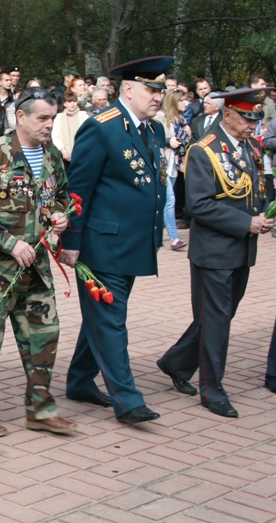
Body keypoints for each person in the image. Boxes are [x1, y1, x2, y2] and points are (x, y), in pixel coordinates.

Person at [60, 56, 174, 425]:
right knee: (111, 320)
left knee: (102, 316)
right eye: (151, 89)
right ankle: (128, 400)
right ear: (128, 89)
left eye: (161, 90)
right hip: (101, 245)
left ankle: (79, 381)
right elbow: (79, 190)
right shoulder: (101, 128)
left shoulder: (153, 131)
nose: (158, 96)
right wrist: (72, 241)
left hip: (134, 244)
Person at [0, 88, 76, 437]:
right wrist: (9, 244)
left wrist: (60, 216)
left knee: (45, 335)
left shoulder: (52, 155)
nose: (49, 125)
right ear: (21, 117)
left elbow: (60, 196)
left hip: (37, 269)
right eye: (42, 118)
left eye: (52, 118)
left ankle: (40, 409)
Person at [156, 87, 275, 418]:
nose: (253, 125)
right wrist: (246, 222)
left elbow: (258, 187)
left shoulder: (250, 146)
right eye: (247, 118)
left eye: (256, 118)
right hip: (215, 251)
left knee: (218, 316)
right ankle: (212, 389)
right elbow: (198, 205)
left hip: (241, 247)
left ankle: (176, 362)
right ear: (229, 114)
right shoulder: (203, 150)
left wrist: (264, 214)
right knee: (217, 321)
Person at [160, 88, 190, 250]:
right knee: (169, 200)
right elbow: (153, 139)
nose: (184, 103)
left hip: (173, 165)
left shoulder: (181, 121)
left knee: (163, 202)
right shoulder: (161, 118)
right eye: (181, 100)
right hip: (161, 165)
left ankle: (156, 235)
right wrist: (167, 142)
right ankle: (174, 239)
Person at [51, 91, 88, 167]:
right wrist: (63, 151)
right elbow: (55, 136)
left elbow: (87, 135)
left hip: (82, 154)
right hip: (63, 156)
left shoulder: (83, 116)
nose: (72, 104)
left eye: (74, 101)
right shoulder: (59, 117)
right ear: (65, 104)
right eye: (69, 101)